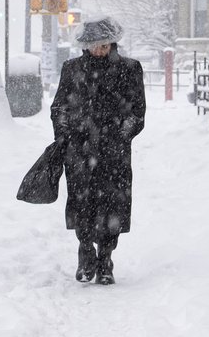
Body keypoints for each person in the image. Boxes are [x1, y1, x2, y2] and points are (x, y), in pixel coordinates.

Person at [50, 17, 145, 284]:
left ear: (113, 43)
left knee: (113, 205)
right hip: (79, 150)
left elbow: (137, 112)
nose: (99, 50)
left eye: (104, 45)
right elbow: (59, 108)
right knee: (83, 203)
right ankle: (85, 252)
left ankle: (105, 259)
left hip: (114, 151)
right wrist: (65, 134)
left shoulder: (130, 69)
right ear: (85, 46)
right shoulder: (72, 69)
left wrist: (121, 135)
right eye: (94, 45)